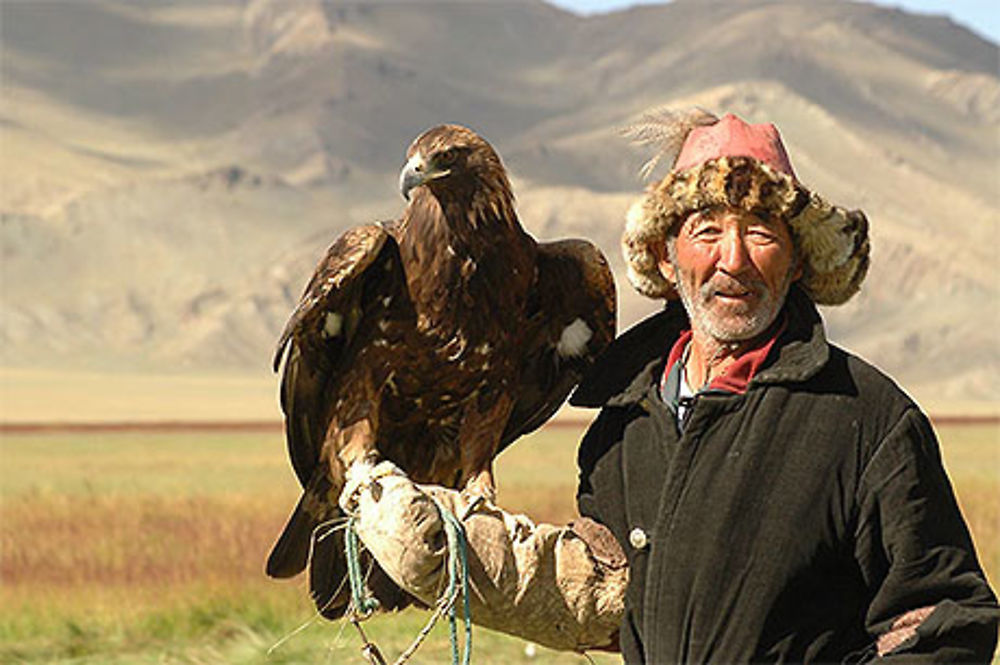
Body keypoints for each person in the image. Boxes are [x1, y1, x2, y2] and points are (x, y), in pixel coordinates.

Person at [339, 112, 998, 662]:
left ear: (797, 259)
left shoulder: (870, 421)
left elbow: (950, 625)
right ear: (664, 253)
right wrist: (500, 572)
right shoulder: (624, 429)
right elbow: (621, 601)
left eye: (761, 231)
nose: (732, 259)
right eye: (707, 230)